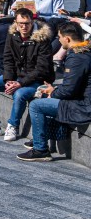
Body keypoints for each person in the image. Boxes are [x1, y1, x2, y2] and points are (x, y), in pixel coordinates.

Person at [0, 8, 54, 141]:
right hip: (17, 76)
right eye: (20, 23)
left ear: (32, 21)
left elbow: (42, 69)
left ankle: (13, 126)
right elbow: (8, 59)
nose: (23, 27)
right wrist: (8, 79)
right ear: (15, 23)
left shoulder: (42, 38)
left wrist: (20, 83)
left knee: (20, 94)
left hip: (37, 80)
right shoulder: (12, 35)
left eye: (27, 23)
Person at [18, 22, 91, 161]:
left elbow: (69, 91)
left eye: (59, 37)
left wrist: (53, 93)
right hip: (83, 100)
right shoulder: (85, 52)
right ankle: (41, 138)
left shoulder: (77, 58)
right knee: (45, 99)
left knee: (36, 105)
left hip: (84, 106)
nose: (58, 40)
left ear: (67, 39)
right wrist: (55, 90)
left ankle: (40, 149)